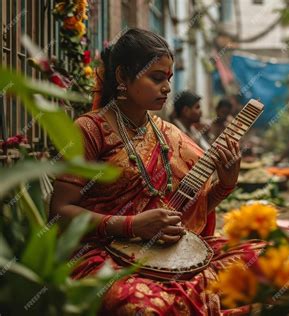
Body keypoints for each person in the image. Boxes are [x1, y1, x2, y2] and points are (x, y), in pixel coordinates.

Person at [51, 28, 259, 315]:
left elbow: (186, 215)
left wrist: (225, 185)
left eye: (169, 79)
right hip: (106, 255)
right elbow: (60, 212)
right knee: (142, 306)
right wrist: (131, 225)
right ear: (123, 77)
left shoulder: (167, 134)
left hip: (173, 251)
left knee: (268, 258)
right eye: (157, 78)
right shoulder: (89, 130)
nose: (167, 88)